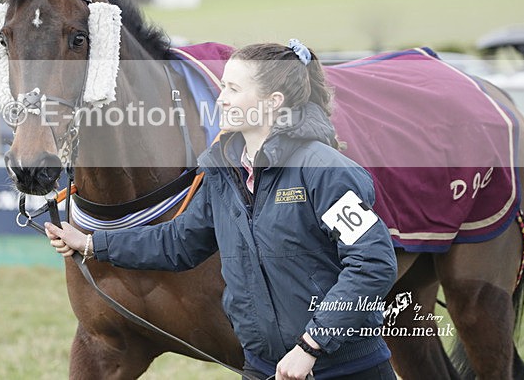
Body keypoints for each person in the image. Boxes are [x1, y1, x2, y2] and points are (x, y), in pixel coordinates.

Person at [46, 40, 398, 380]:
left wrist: (311, 346)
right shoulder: (223, 173)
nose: (221, 98)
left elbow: (373, 263)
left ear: (272, 102)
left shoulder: (325, 171)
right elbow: (179, 242)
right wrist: (94, 244)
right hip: (264, 368)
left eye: (233, 89)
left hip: (345, 368)